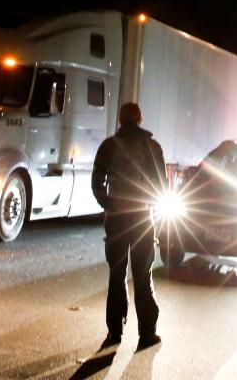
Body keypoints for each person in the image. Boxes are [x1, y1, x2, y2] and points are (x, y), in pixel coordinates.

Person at [91, 102, 166, 348]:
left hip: (116, 220)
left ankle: (115, 332)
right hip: (143, 218)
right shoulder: (153, 148)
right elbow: (162, 186)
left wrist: (110, 203)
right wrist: (149, 203)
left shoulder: (109, 146)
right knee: (143, 275)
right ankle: (147, 332)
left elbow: (96, 183)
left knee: (117, 274)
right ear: (140, 119)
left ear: (121, 119)